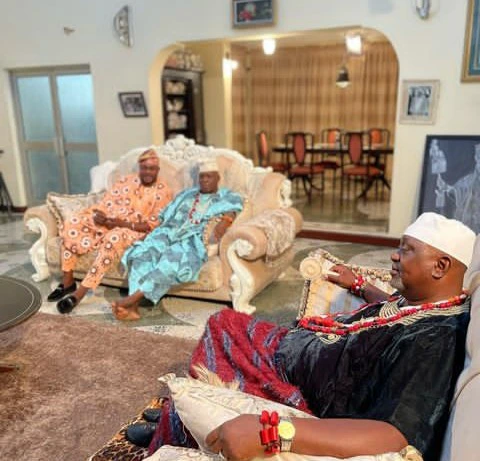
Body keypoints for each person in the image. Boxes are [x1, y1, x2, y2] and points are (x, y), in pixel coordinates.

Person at [125, 212, 475, 461]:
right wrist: (359, 285)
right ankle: (178, 415)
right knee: (225, 324)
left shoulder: (437, 341)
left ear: (440, 266)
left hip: (299, 383)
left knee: (223, 327)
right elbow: (398, 312)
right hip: (300, 349)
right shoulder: (428, 301)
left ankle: (176, 428)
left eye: (407, 249)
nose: (394, 255)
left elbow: (395, 434)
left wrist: (274, 432)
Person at [111, 158, 243, 321]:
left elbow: (235, 206)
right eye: (202, 177)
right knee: (142, 255)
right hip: (168, 232)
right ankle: (133, 308)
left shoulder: (227, 196)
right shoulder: (186, 195)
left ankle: (129, 300)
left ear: (217, 178)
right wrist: (150, 233)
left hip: (191, 240)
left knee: (170, 263)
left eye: (209, 176)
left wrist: (226, 220)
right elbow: (164, 216)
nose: (204, 180)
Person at [48, 149, 173, 313]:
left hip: (133, 229)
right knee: (73, 222)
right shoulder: (126, 181)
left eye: (152, 168)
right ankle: (68, 281)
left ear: (157, 170)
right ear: (139, 167)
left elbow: (153, 224)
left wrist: (122, 223)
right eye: (144, 168)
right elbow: (106, 203)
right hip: (109, 220)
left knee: (114, 238)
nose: (148, 172)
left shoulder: (163, 191)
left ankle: (80, 293)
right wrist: (100, 215)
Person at [437, 143, 480, 234]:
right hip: (467, 229)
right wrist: (445, 188)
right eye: (478, 157)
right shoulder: (467, 180)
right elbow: (455, 189)